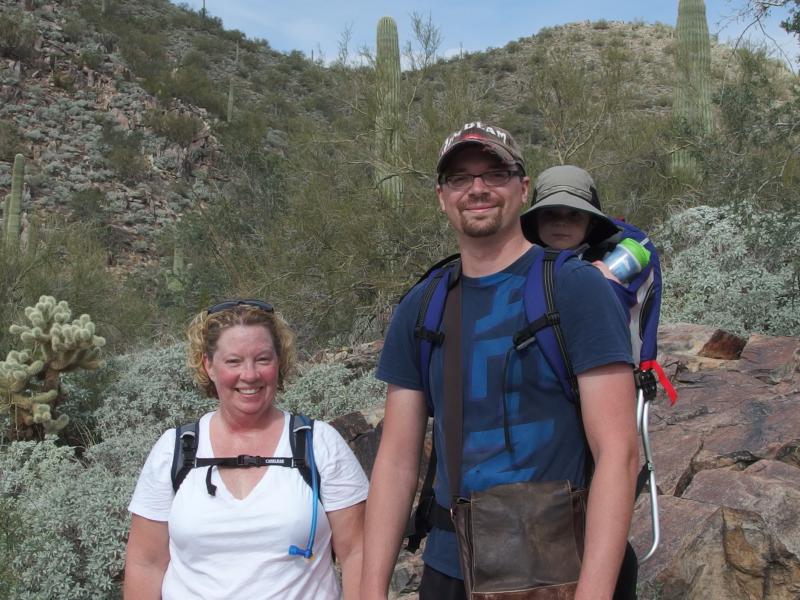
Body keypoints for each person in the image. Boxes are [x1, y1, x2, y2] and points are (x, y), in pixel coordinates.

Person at [361, 122, 639, 600]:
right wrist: (368, 590)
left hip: (556, 567)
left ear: (523, 188)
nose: (478, 189)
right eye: (459, 178)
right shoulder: (421, 305)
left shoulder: (575, 289)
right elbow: (397, 460)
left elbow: (619, 450)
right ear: (442, 196)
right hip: (449, 566)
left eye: (495, 173)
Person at [124, 300, 368, 600]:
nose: (250, 375)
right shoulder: (174, 451)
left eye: (262, 359)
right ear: (208, 366)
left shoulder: (318, 444)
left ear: (279, 362)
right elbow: (145, 564)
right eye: (234, 361)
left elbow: (358, 551)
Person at [521, 164, 622, 282]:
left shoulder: (616, 264)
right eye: (550, 213)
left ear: (592, 222)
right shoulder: (516, 264)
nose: (561, 222)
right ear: (535, 220)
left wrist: (614, 289)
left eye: (574, 214)